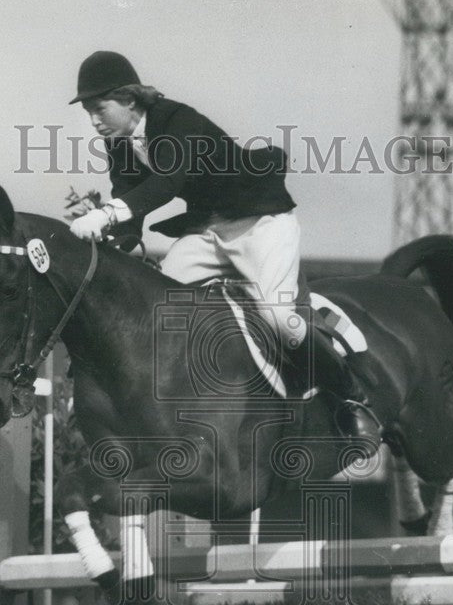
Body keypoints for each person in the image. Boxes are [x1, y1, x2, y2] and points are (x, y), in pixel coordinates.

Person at [69, 51, 370, 420]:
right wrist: (112, 241)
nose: (94, 121)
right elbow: (130, 203)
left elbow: (167, 183)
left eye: (99, 109)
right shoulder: (119, 141)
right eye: (89, 113)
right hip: (208, 231)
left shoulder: (178, 120)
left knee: (277, 317)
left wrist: (106, 214)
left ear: (129, 99)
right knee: (156, 307)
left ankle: (351, 396)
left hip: (260, 222)